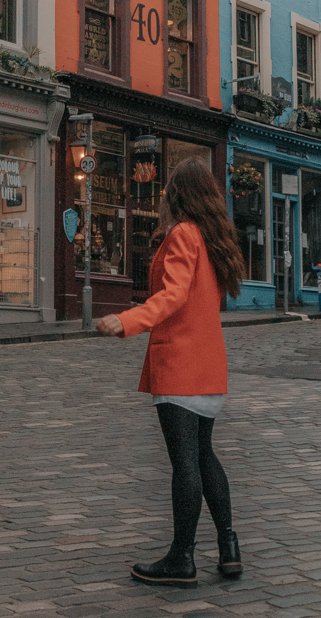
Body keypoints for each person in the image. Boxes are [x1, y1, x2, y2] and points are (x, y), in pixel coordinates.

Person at [97, 158, 246, 588]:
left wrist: (128, 320)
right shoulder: (212, 237)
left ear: (178, 193)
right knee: (204, 456)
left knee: (185, 463)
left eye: (166, 188)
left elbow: (174, 295)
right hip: (208, 365)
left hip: (180, 363)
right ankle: (228, 547)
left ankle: (182, 557)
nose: (161, 194)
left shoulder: (183, 234)